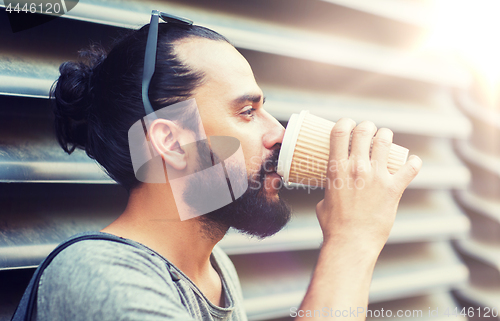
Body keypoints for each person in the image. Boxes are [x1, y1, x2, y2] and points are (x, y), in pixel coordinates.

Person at [38, 11, 422, 321]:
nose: (280, 133)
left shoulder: (214, 270)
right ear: (171, 143)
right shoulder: (99, 275)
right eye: (248, 112)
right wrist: (352, 239)